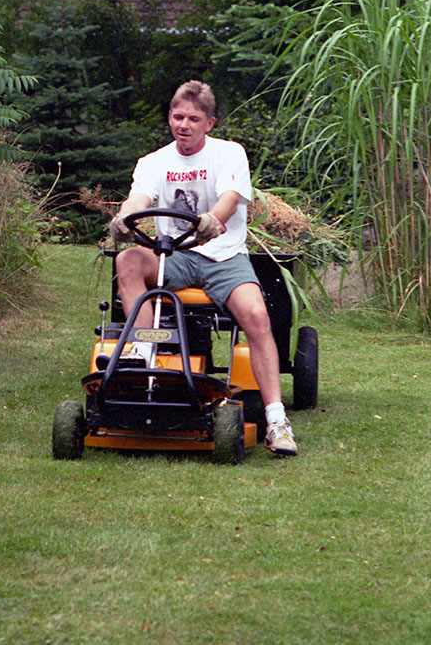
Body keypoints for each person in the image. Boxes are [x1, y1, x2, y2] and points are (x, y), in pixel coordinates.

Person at [110, 79, 298, 456]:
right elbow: (139, 197)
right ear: (169, 118)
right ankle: (142, 356)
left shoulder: (229, 154)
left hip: (224, 257)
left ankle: (277, 420)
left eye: (194, 119)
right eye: (178, 117)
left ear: (209, 123)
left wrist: (214, 218)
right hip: (173, 257)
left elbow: (231, 196)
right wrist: (124, 218)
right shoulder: (154, 161)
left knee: (258, 316)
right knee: (127, 259)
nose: (184, 125)